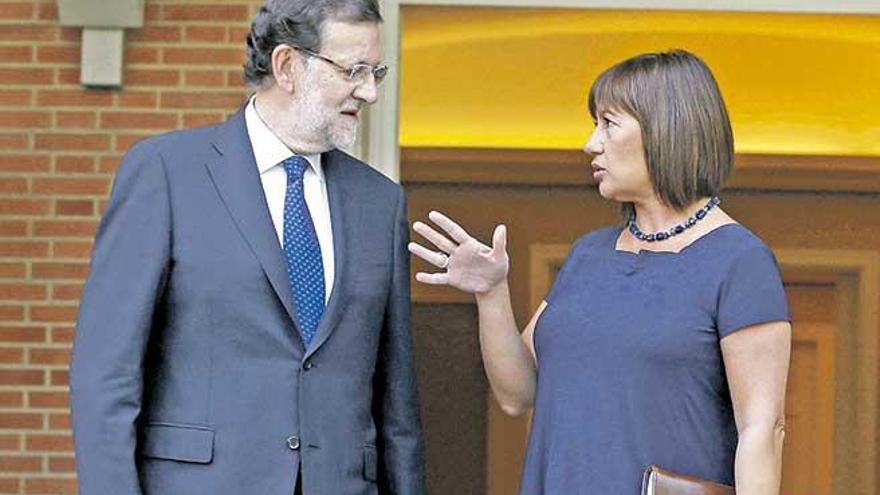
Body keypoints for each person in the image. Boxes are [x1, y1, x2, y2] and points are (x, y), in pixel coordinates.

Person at [69, 1, 426, 494]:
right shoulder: (167, 174)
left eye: (375, 71)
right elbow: (105, 377)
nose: (368, 91)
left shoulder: (380, 203)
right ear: (287, 66)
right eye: (353, 71)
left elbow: (396, 405)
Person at [409, 50, 790, 494]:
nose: (591, 144)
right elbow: (518, 394)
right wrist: (491, 293)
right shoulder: (589, 254)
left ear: (666, 130)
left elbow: (762, 431)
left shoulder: (739, 260)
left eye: (608, 124)